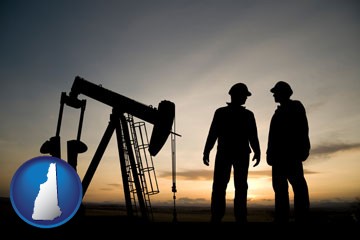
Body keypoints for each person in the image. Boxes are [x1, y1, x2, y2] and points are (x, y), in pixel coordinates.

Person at [203, 83, 261, 223]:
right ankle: (221, 216)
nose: (246, 98)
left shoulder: (241, 114)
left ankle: (236, 217)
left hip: (232, 154)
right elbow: (213, 133)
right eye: (244, 95)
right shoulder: (224, 113)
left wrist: (257, 151)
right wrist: (207, 150)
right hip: (228, 154)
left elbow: (253, 135)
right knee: (223, 186)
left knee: (232, 186)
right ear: (235, 95)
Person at [266, 81, 310, 223]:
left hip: (291, 156)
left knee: (298, 187)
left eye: (276, 92)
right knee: (280, 190)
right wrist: (269, 154)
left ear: (284, 93)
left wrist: (303, 149)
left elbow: (303, 129)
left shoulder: (296, 106)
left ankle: (302, 218)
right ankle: (282, 218)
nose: (273, 95)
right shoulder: (277, 113)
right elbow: (272, 136)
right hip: (278, 158)